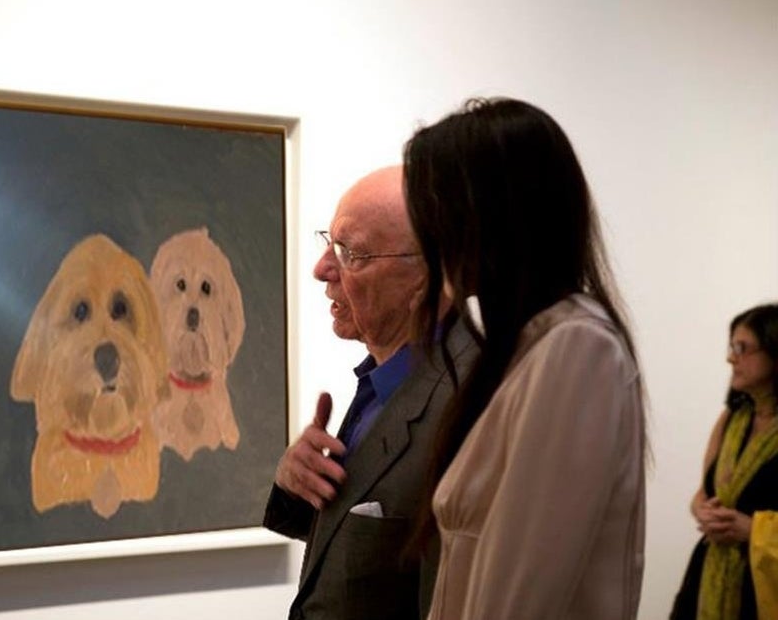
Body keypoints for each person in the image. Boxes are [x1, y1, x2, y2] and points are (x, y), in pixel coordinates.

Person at [403, 97, 647, 619]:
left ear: (496, 216)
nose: (435, 241)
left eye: (444, 214)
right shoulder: (527, 352)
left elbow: (519, 599)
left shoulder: (577, 349)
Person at [263, 165, 479, 620]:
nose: (322, 269)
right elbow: (361, 558)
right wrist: (294, 482)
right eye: (330, 243)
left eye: (351, 253)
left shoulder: (468, 403)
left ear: (423, 275)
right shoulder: (385, 380)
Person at [670, 303, 778, 620]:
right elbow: (704, 494)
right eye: (731, 347)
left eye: (742, 348)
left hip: (763, 590)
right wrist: (703, 512)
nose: (731, 358)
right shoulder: (732, 419)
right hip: (707, 576)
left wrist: (753, 530)